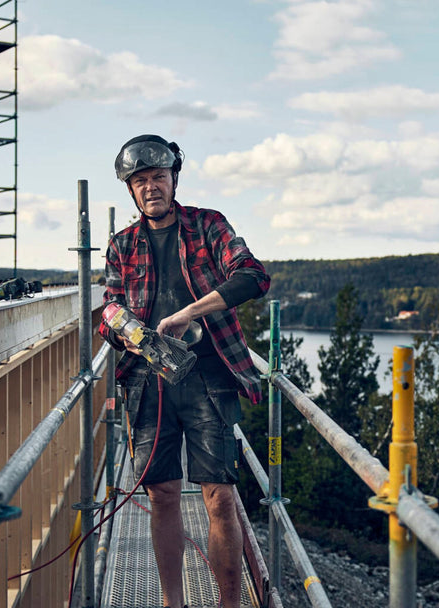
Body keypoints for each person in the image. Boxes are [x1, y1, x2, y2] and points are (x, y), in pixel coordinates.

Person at [99, 134, 269, 608]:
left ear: (174, 178)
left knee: (219, 497)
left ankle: (228, 606)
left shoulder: (209, 226)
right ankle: (174, 603)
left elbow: (253, 275)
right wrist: (128, 329)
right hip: (148, 383)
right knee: (163, 497)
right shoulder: (121, 245)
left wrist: (191, 312)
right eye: (140, 181)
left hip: (209, 378)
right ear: (130, 190)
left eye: (158, 176)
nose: (150, 186)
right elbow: (109, 309)